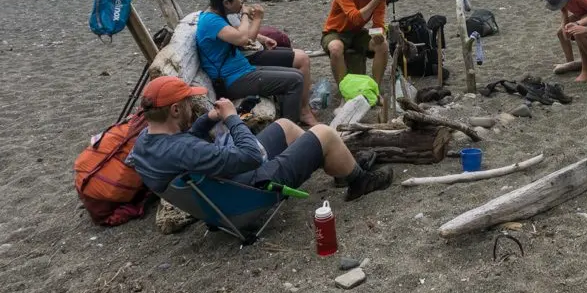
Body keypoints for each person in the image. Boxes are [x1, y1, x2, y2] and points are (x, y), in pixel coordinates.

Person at [127, 76, 392, 201]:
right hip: (248, 193)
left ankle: (341, 169)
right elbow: (251, 156)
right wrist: (232, 118)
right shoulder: (186, 149)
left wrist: (207, 119)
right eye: (186, 103)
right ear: (174, 110)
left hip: (221, 191)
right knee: (322, 131)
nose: (189, 106)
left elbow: (187, 143)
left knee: (286, 125)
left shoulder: (145, 144)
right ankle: (359, 182)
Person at [196, 0, 316, 126]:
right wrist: (249, 16)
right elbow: (243, 39)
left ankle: (288, 120)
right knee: (295, 81)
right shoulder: (211, 21)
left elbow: (244, 38)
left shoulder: (218, 16)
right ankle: (287, 129)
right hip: (232, 80)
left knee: (297, 74)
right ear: (226, 3)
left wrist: (260, 36)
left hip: (241, 71)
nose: (242, 1)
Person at [321, 0, 390, 86]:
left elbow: (378, 24)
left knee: (382, 45)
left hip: (357, 33)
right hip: (335, 32)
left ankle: (375, 88)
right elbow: (355, 18)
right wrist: (376, 0)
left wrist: (379, 34)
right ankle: (345, 91)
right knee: (336, 49)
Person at [544, 0, 587, 76]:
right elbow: (566, 34)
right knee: (560, 33)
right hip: (581, 14)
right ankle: (570, 62)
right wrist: (565, 20)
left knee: (577, 31)